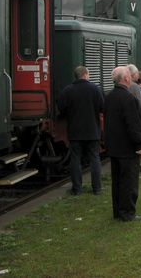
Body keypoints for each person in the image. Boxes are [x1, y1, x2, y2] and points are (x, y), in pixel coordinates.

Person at [104, 66, 141, 222]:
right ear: (126, 79)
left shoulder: (109, 97)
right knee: (129, 182)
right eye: (129, 76)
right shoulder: (129, 99)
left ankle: (118, 212)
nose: (131, 78)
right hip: (127, 149)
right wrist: (140, 144)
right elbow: (133, 125)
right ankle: (127, 212)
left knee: (117, 182)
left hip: (114, 148)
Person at [57, 66, 104, 196]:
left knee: (75, 159)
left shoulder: (68, 90)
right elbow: (102, 107)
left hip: (75, 131)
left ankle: (77, 188)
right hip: (92, 130)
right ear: (85, 74)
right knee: (94, 158)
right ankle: (97, 188)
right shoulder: (95, 89)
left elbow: (61, 108)